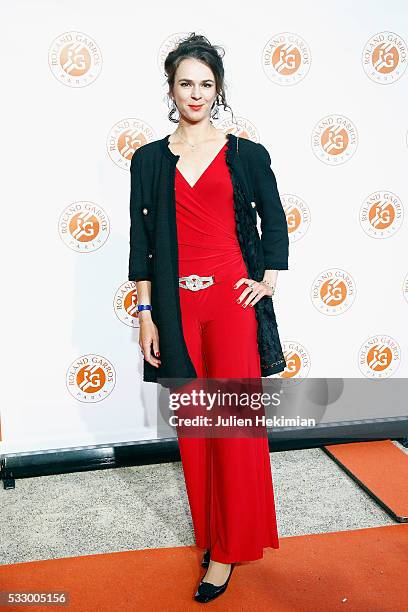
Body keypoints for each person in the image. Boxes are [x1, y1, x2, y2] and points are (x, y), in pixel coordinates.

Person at [131, 33, 288, 604]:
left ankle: (227, 551)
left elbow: (274, 219)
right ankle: (210, 535)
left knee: (234, 430)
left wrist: (266, 280)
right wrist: (146, 312)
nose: (195, 93)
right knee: (197, 432)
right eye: (185, 83)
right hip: (175, 310)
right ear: (171, 89)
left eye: (205, 83)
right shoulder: (149, 159)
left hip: (230, 306)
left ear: (217, 89)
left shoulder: (246, 154)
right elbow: (141, 241)